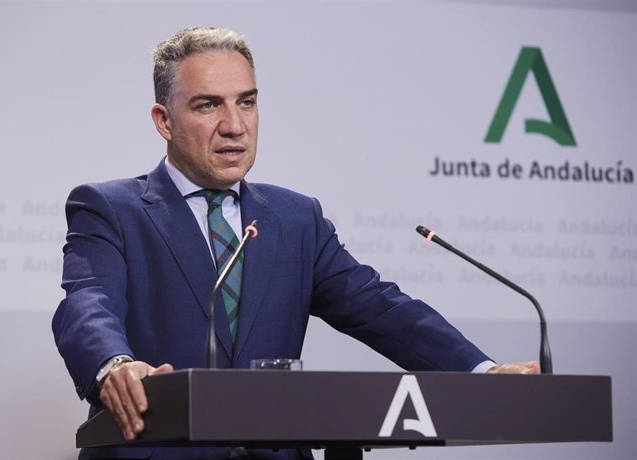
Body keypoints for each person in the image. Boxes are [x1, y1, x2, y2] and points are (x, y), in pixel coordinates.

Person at [52, 26, 539, 460]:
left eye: (247, 101)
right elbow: (87, 303)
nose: (235, 125)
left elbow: (381, 309)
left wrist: (481, 374)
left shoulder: (294, 218)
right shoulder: (112, 208)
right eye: (208, 105)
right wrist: (113, 364)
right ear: (164, 120)